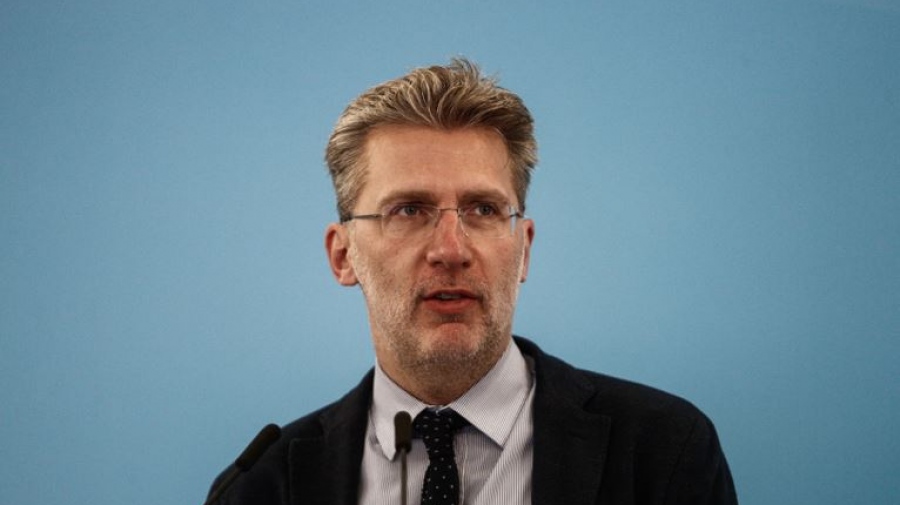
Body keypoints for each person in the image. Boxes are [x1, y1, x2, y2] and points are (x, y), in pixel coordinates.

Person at [207, 58, 738, 505]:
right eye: (409, 210)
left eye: (483, 209)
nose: (451, 250)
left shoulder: (664, 449)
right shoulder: (261, 486)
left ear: (524, 248)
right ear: (343, 255)